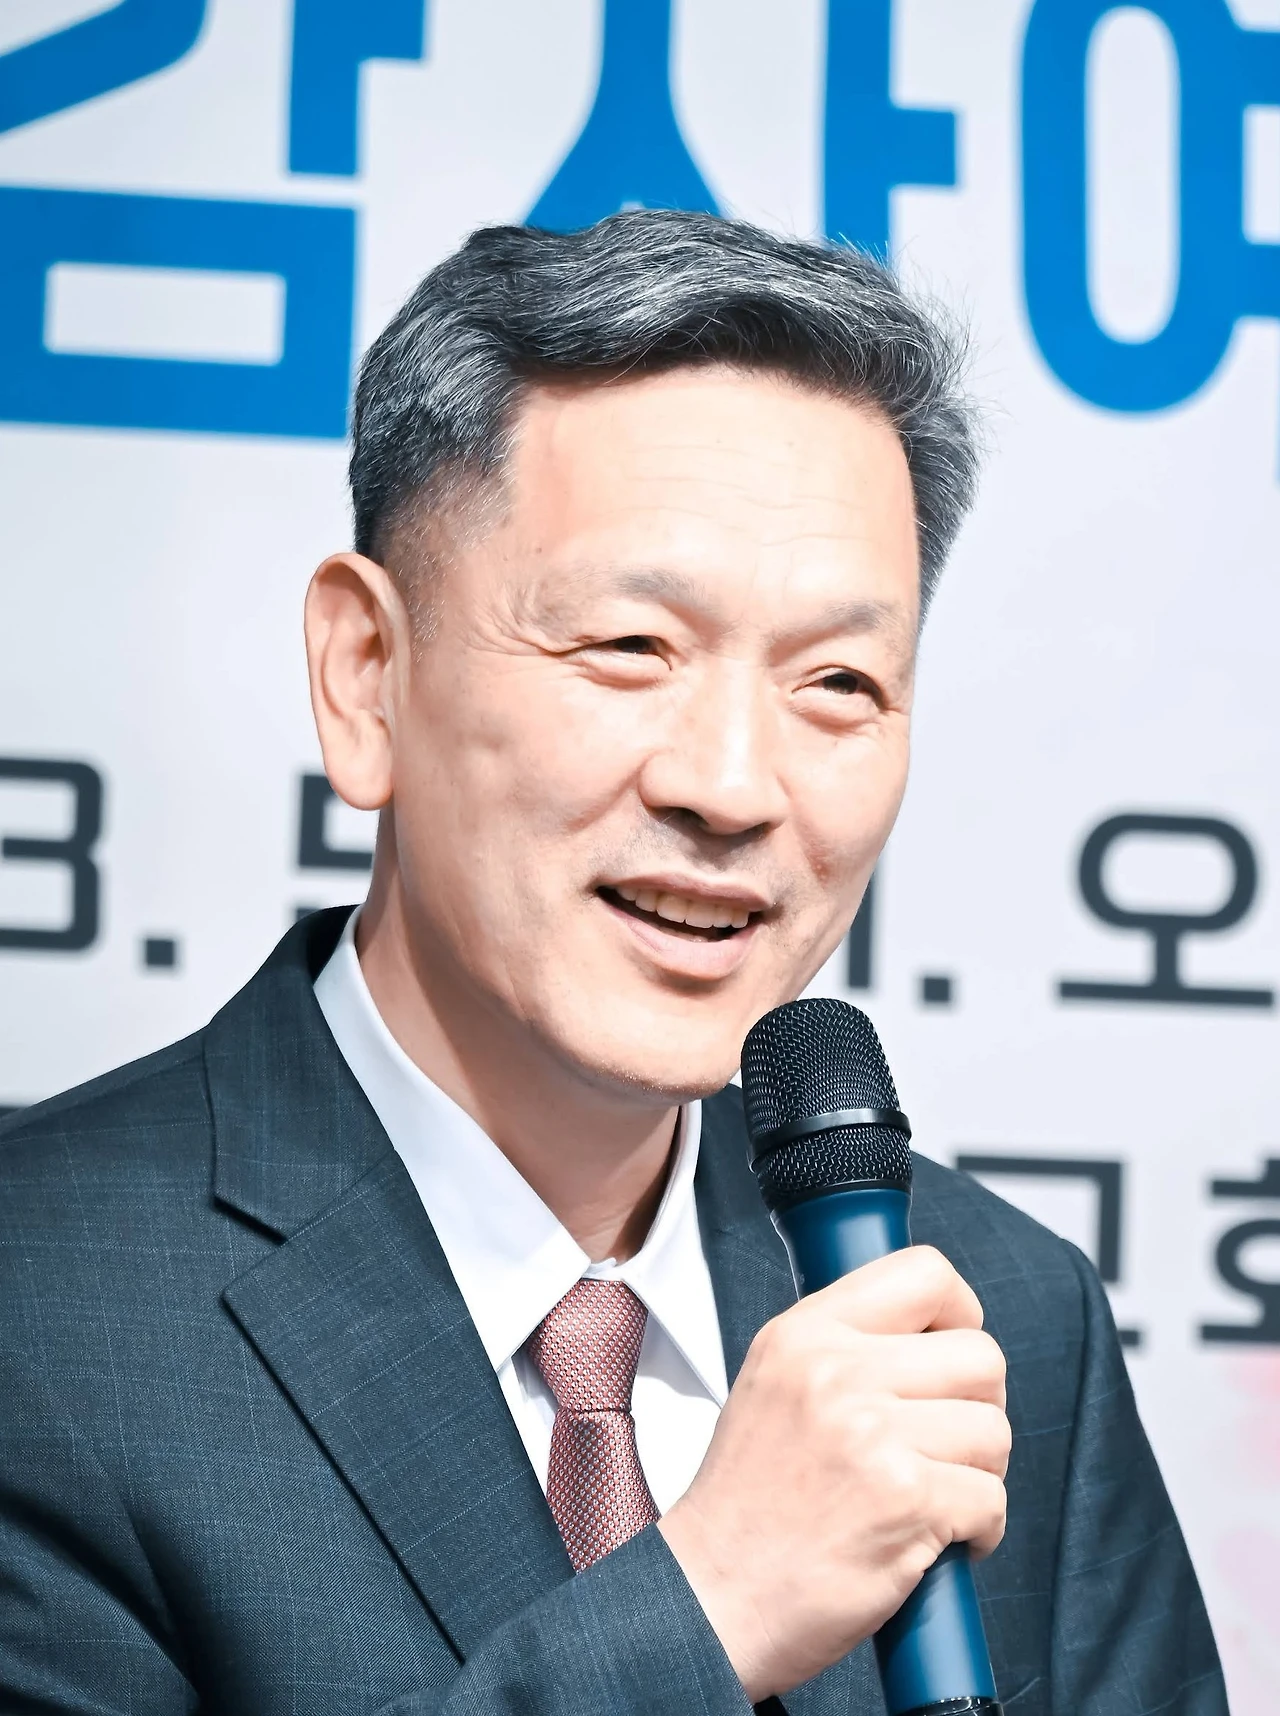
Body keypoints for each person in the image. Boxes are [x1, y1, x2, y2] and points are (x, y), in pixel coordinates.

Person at [0, 211, 1225, 1716]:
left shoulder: (1003, 1320)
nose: (732, 786)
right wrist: (709, 1608)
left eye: (840, 681)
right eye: (633, 648)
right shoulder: (39, 1305)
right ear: (367, 676)